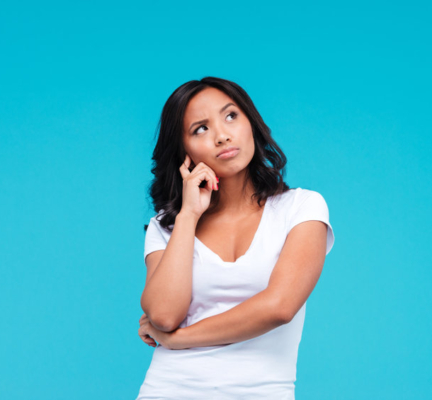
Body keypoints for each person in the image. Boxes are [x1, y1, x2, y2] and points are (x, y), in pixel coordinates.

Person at [135, 77, 335, 399]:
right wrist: (188, 216)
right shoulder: (168, 226)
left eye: (231, 116)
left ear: (250, 123)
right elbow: (163, 315)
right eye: (200, 128)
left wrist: (178, 339)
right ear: (183, 151)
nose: (222, 135)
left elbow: (279, 307)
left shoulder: (302, 208)